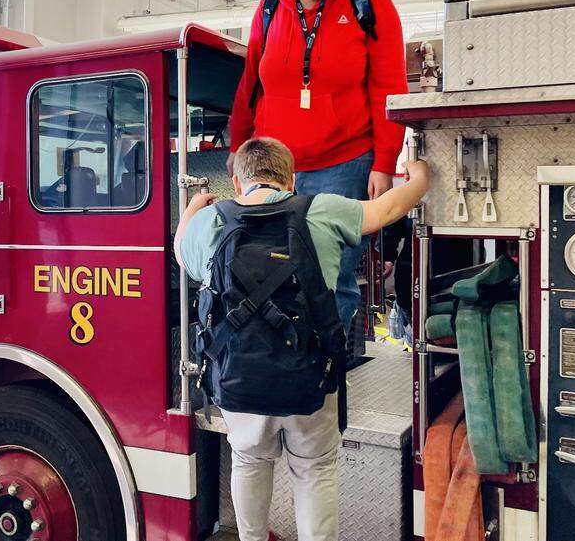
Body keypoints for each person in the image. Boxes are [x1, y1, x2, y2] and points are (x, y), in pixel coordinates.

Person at [176, 137, 429, 541]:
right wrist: (419, 177)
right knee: (314, 469)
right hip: (310, 375)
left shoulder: (212, 221)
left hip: (238, 377)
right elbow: (389, 209)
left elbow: (181, 252)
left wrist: (193, 207)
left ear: (238, 184)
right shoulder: (322, 209)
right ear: (291, 180)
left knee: (248, 461)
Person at [227, 0, 408, 353]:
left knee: (332, 272)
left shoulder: (370, 3)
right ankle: (273, 361)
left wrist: (384, 163)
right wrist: (238, 146)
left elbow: (389, 88)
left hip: (343, 162)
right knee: (266, 264)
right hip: (271, 164)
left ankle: (324, 367)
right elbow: (251, 81)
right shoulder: (271, 6)